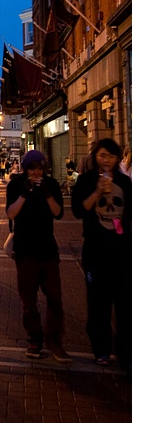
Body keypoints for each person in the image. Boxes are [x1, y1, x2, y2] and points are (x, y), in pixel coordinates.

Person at [71, 137, 131, 370]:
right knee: (98, 302)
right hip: (96, 251)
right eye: (102, 155)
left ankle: (126, 351)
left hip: (123, 251)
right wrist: (97, 192)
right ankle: (101, 348)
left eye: (111, 156)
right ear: (95, 156)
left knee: (126, 303)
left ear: (118, 159)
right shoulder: (86, 181)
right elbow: (78, 210)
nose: (106, 160)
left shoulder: (126, 183)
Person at [6, 149, 70, 362]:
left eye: (39, 168)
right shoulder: (16, 185)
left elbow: (58, 213)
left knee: (55, 297)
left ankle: (54, 341)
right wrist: (24, 193)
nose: (36, 172)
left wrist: (47, 194)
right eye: (32, 168)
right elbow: (11, 213)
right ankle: (34, 339)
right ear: (25, 169)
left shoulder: (50, 185)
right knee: (28, 301)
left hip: (48, 250)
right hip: (25, 250)